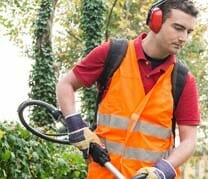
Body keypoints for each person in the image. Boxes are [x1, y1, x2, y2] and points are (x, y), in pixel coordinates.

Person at [56, 0, 200, 178]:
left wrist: (163, 170)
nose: (184, 38)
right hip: (104, 173)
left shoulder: (183, 80)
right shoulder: (113, 54)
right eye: (178, 28)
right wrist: (75, 123)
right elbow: (66, 84)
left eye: (188, 31)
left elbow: (189, 142)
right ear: (155, 21)